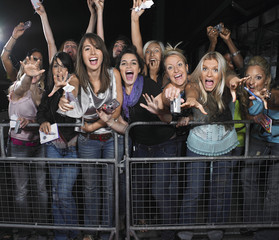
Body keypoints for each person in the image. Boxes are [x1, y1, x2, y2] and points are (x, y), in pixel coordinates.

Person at [97, 45, 179, 240]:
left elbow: (169, 116)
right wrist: (108, 121)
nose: (129, 66)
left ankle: (169, 232)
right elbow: (127, 128)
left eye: (133, 62)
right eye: (124, 63)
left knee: (159, 190)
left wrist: (160, 109)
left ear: (139, 68)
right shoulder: (119, 95)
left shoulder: (149, 86)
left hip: (164, 143)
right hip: (140, 146)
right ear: (119, 69)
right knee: (136, 188)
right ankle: (139, 223)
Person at [165, 51, 243, 240]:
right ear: (200, 72)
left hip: (225, 143)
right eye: (205, 69)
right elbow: (191, 89)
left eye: (215, 70)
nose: (209, 74)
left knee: (220, 190)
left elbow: (232, 76)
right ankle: (185, 229)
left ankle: (216, 228)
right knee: (194, 189)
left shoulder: (227, 86)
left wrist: (233, 79)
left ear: (221, 73)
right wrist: (191, 99)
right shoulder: (194, 85)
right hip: (198, 144)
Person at [57, 33, 123, 240]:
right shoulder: (76, 78)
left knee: (110, 189)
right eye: (86, 48)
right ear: (82, 56)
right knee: (90, 189)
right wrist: (64, 99)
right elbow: (70, 91)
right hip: (88, 143)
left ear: (103, 53)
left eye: (96, 47)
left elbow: (117, 110)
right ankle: (90, 232)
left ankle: (108, 233)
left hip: (112, 139)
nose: (92, 52)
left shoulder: (114, 74)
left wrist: (91, 126)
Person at [37, 52, 80, 240]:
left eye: (63, 66)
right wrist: (43, 122)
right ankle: (61, 235)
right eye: (55, 65)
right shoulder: (48, 90)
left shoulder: (74, 87)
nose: (59, 69)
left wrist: (65, 90)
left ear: (69, 69)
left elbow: (70, 105)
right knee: (55, 194)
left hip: (72, 147)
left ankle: (75, 233)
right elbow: (41, 112)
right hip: (52, 146)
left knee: (63, 193)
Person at [6, 55, 48, 240]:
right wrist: (27, 77)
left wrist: (32, 121)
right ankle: (23, 231)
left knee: (41, 190)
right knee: (21, 191)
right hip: (18, 146)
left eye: (36, 68)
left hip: (38, 145)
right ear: (24, 71)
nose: (34, 70)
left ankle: (42, 230)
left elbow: (43, 118)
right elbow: (22, 87)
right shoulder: (16, 88)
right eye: (30, 68)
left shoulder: (43, 92)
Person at [240, 56, 279, 240]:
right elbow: (246, 114)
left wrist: (267, 97)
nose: (252, 81)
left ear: (267, 79)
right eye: (248, 77)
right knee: (247, 178)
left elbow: (276, 100)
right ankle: (250, 223)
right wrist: (252, 118)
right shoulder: (246, 93)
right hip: (257, 139)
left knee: (274, 186)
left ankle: (267, 229)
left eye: (258, 77)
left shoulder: (274, 90)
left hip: (277, 143)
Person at [131, 0, 167, 88]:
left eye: (156, 51)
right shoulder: (142, 72)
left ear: (162, 55)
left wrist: (153, 75)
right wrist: (134, 19)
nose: (152, 54)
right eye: (147, 52)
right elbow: (137, 46)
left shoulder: (167, 75)